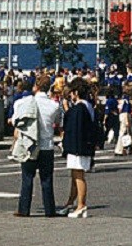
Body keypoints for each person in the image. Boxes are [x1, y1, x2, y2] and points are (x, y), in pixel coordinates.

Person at [12, 76, 61, 217]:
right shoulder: (54, 105)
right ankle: (49, 210)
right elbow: (57, 122)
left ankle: (23, 209)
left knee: (27, 177)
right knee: (46, 179)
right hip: (47, 145)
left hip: (30, 144)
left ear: (36, 87)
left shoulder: (22, 102)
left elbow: (15, 120)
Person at [60, 78, 96, 218]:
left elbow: (74, 126)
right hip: (82, 146)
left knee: (78, 175)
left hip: (78, 146)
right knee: (75, 175)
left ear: (75, 92)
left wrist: (67, 109)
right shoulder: (87, 106)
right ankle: (71, 202)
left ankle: (81, 205)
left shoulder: (80, 108)